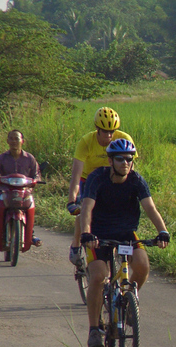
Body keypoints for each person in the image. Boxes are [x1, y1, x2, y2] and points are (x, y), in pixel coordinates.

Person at [79, 139, 169, 347]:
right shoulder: (97, 178)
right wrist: (85, 233)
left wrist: (162, 231)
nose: (125, 163)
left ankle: (127, 301)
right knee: (100, 275)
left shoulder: (136, 180)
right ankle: (94, 328)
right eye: (120, 159)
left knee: (142, 265)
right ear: (110, 160)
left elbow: (150, 208)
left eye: (129, 159)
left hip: (126, 233)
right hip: (98, 234)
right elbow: (87, 209)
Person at [67, 107, 134, 266]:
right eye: (105, 131)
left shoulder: (124, 139)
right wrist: (71, 200)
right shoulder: (86, 142)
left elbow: (130, 171)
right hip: (89, 180)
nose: (109, 136)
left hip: (112, 181)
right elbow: (76, 175)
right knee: (83, 210)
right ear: (97, 129)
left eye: (112, 131)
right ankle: (76, 245)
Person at [0, 129, 42, 246]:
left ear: (22, 141)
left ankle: (31, 233)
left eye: (17, 139)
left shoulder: (30, 158)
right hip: (4, 190)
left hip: (23, 191)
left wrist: (36, 180)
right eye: (11, 139)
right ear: (7, 141)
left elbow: (37, 174)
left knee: (30, 206)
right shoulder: (1, 158)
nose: (14, 141)